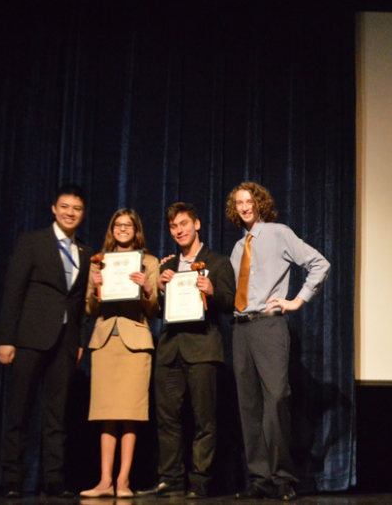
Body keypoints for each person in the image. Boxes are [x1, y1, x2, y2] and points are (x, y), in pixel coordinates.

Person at [226, 182, 330, 501]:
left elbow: (319, 264)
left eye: (249, 201)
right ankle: (260, 478)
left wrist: (296, 300)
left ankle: (283, 476)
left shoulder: (278, 233)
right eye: (239, 202)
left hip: (270, 327)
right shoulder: (236, 248)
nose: (244, 206)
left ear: (260, 203)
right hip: (241, 329)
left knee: (275, 401)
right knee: (249, 407)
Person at [0, 184, 91, 498]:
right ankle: (12, 478)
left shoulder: (86, 253)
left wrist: (79, 342)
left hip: (65, 343)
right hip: (30, 338)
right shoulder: (32, 242)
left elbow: (78, 304)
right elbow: (13, 292)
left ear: (83, 213)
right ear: (54, 208)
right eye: (65, 207)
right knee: (19, 410)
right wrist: (6, 339)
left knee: (57, 414)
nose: (70, 213)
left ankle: (53, 480)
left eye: (76, 208)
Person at [136, 202, 235, 500]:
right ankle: (170, 479)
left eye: (183, 224)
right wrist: (158, 290)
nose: (179, 230)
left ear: (197, 225)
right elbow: (155, 311)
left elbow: (231, 303)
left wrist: (211, 291)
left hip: (203, 349)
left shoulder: (217, 262)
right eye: (173, 227)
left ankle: (200, 480)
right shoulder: (166, 266)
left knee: (204, 420)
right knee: (167, 420)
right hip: (169, 350)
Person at [80, 209, 159, 499]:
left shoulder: (148, 262)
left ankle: (123, 480)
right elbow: (90, 309)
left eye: (128, 225)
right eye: (118, 224)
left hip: (135, 343)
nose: (122, 229)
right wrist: (96, 288)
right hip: (104, 342)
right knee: (106, 414)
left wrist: (147, 287)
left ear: (136, 229)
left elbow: (154, 310)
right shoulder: (98, 262)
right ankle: (104, 481)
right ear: (111, 229)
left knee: (130, 414)